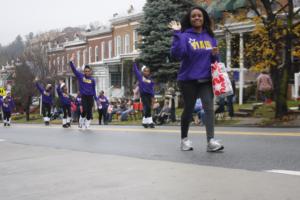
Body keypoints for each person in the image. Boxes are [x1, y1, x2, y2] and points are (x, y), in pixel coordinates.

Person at [169, 6, 224, 152]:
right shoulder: (185, 36)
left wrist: (214, 54)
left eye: (199, 15)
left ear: (204, 17)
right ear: (190, 19)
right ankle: (184, 140)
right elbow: (177, 54)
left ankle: (211, 141)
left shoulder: (210, 37)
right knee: (188, 109)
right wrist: (177, 34)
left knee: (209, 108)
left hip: (206, 79)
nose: (197, 18)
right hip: (188, 80)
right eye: (193, 16)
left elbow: (215, 61)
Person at [69, 53, 98, 129]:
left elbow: (94, 90)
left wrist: (96, 99)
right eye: (86, 71)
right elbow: (74, 70)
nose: (87, 72)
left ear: (90, 71)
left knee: (89, 112)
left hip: (90, 97)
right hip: (84, 96)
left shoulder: (92, 80)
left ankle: (87, 124)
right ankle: (81, 121)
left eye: (88, 71)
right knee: (84, 110)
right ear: (84, 72)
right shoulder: (81, 76)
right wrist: (71, 61)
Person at [133, 63, 155, 128]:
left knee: (149, 108)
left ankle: (144, 122)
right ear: (143, 72)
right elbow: (136, 70)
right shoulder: (140, 77)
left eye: (148, 71)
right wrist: (134, 62)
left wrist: (153, 96)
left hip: (149, 95)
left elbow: (152, 88)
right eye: (145, 71)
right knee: (147, 107)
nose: (147, 72)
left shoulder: (150, 80)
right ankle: (150, 122)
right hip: (143, 95)